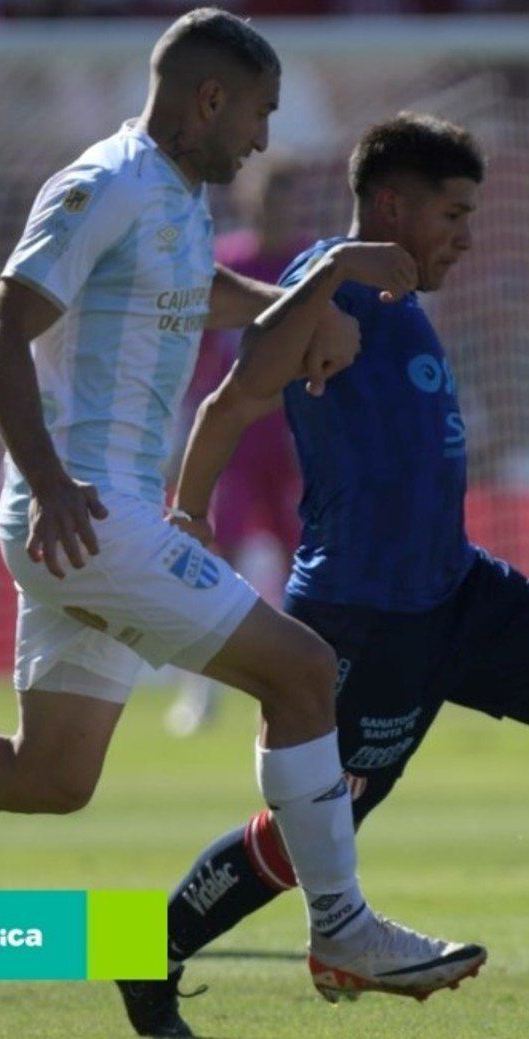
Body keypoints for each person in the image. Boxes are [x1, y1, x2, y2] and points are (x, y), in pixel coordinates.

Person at [0, 6, 485, 1014]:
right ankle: (341, 930)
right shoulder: (102, 183)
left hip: (91, 518)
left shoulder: (172, 196)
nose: (260, 139)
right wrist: (54, 481)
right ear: (209, 98)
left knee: (53, 771)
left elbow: (185, 289)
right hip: (86, 513)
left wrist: (292, 300)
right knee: (299, 674)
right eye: (257, 114)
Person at [118, 112, 529, 1038]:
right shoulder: (328, 282)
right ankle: (150, 948)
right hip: (364, 617)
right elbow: (234, 395)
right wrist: (187, 518)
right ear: (391, 205)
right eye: (454, 215)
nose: (467, 237)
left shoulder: (397, 297)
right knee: (308, 839)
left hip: (459, 591)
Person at [166, 157, 306, 737]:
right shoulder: (226, 264)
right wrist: (180, 438)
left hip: (295, 439)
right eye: (269, 199)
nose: (277, 211)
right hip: (233, 441)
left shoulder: (308, 266)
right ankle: (202, 689)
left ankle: (311, 681)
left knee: (306, 561)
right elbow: (194, 365)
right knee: (210, 557)